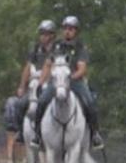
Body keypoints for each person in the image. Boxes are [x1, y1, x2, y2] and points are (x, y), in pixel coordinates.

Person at [29, 15, 104, 150]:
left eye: (71, 29)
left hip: (75, 81)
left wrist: (70, 78)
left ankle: (95, 134)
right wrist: (40, 83)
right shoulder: (56, 46)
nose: (67, 31)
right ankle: (38, 135)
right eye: (65, 28)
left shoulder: (80, 47)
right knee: (42, 101)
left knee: (89, 103)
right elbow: (47, 65)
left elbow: (82, 69)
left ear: (76, 31)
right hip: (57, 82)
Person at [4, 19, 57, 161]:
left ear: (52, 35)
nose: (43, 37)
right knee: (21, 105)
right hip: (36, 83)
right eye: (41, 34)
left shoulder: (58, 49)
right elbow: (28, 68)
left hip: (52, 83)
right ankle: (21, 133)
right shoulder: (35, 49)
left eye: (46, 34)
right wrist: (22, 86)